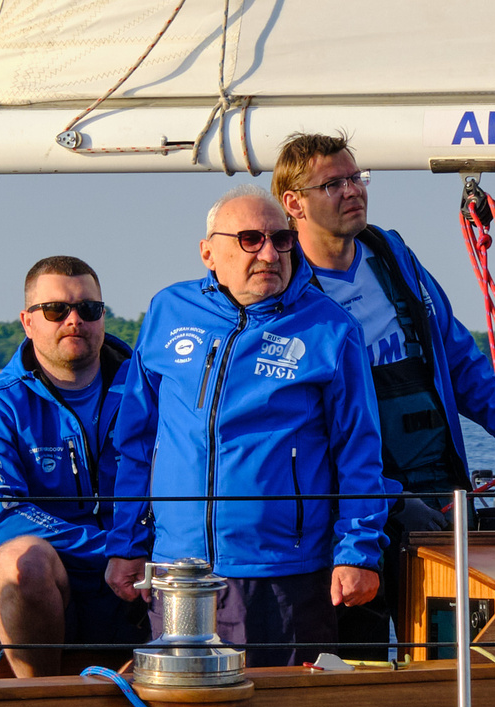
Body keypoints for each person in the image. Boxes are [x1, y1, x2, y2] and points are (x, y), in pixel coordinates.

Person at [277, 130, 495, 647]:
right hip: (353, 507)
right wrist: (391, 501)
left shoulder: (393, 257)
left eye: (356, 178)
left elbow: (457, 356)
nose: (353, 192)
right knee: (356, 646)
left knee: (446, 641)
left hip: (436, 481)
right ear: (293, 204)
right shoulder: (283, 289)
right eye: (333, 184)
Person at [104, 187, 392, 667]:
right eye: (250, 239)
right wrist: (126, 543)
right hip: (179, 570)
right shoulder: (167, 311)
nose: (269, 253)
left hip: (284, 573)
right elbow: (136, 442)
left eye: (282, 240)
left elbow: (359, 451)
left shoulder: (330, 327)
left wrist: (357, 551)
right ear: (208, 252)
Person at [0, 255, 146, 678]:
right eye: (55, 310)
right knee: (21, 561)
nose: (74, 320)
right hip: (61, 577)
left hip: (140, 568)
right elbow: (4, 512)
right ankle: (41, 702)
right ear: (27, 321)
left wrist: (140, 550)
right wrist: (115, 549)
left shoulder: (149, 391)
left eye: (88, 309)